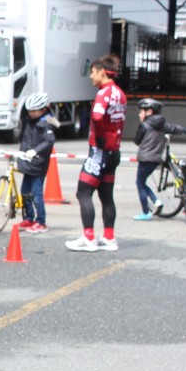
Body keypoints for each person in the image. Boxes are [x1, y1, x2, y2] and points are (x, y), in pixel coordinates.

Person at [65, 54, 127, 252]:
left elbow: (98, 116)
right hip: (114, 151)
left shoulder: (104, 93)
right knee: (106, 195)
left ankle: (88, 237)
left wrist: (99, 136)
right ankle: (109, 237)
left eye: (92, 72)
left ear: (102, 72)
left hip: (100, 151)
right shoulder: (120, 93)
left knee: (83, 192)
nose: (91, 77)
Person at [132, 98, 186, 221]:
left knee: (140, 184)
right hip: (156, 160)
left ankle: (147, 211)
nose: (139, 114)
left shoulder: (144, 125)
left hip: (145, 159)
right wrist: (182, 129)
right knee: (142, 182)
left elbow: (136, 141)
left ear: (149, 112)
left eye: (141, 112)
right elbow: (173, 128)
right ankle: (156, 202)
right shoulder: (163, 126)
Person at [15, 92, 59, 234]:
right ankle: (29, 217)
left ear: (43, 110)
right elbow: (26, 139)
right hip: (27, 162)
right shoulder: (30, 122)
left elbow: (49, 141)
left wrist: (35, 151)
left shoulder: (46, 123)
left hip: (38, 164)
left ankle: (41, 222)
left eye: (34, 111)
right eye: (30, 111)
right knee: (25, 192)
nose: (32, 113)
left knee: (36, 194)